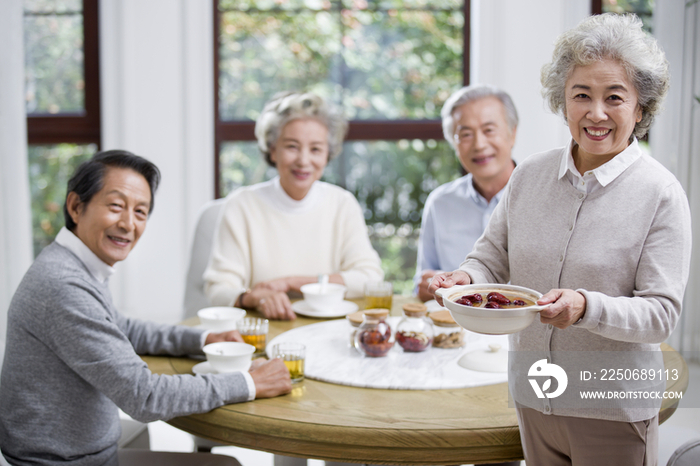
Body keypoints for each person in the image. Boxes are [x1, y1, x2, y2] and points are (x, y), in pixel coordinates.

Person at [429, 13, 691, 465]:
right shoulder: (530, 173)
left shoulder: (660, 192)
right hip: (535, 392)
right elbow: (491, 257)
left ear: (640, 108)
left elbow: (660, 315)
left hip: (611, 405)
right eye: (581, 95)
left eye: (614, 97)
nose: (596, 113)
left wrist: (586, 307)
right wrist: (465, 277)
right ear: (562, 101)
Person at [0, 151, 292, 466]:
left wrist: (203, 339)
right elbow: (144, 396)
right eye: (116, 206)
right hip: (63, 462)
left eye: (141, 211)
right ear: (75, 206)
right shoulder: (63, 285)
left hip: (75, 451)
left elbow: (122, 327)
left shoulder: (73, 265)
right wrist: (250, 382)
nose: (128, 223)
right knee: (226, 465)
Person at [204, 91, 384, 320]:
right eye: (292, 146)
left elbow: (370, 278)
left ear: (328, 154)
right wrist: (255, 297)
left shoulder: (342, 204)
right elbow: (218, 289)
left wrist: (293, 283)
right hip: (263, 332)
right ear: (272, 149)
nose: (303, 160)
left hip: (328, 329)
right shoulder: (241, 205)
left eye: (316, 149)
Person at [414, 85, 518, 302]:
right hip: (455, 329)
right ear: (454, 142)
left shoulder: (542, 198)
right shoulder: (440, 202)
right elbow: (422, 282)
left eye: (489, 130)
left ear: (512, 133)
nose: (479, 145)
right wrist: (429, 285)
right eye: (466, 134)